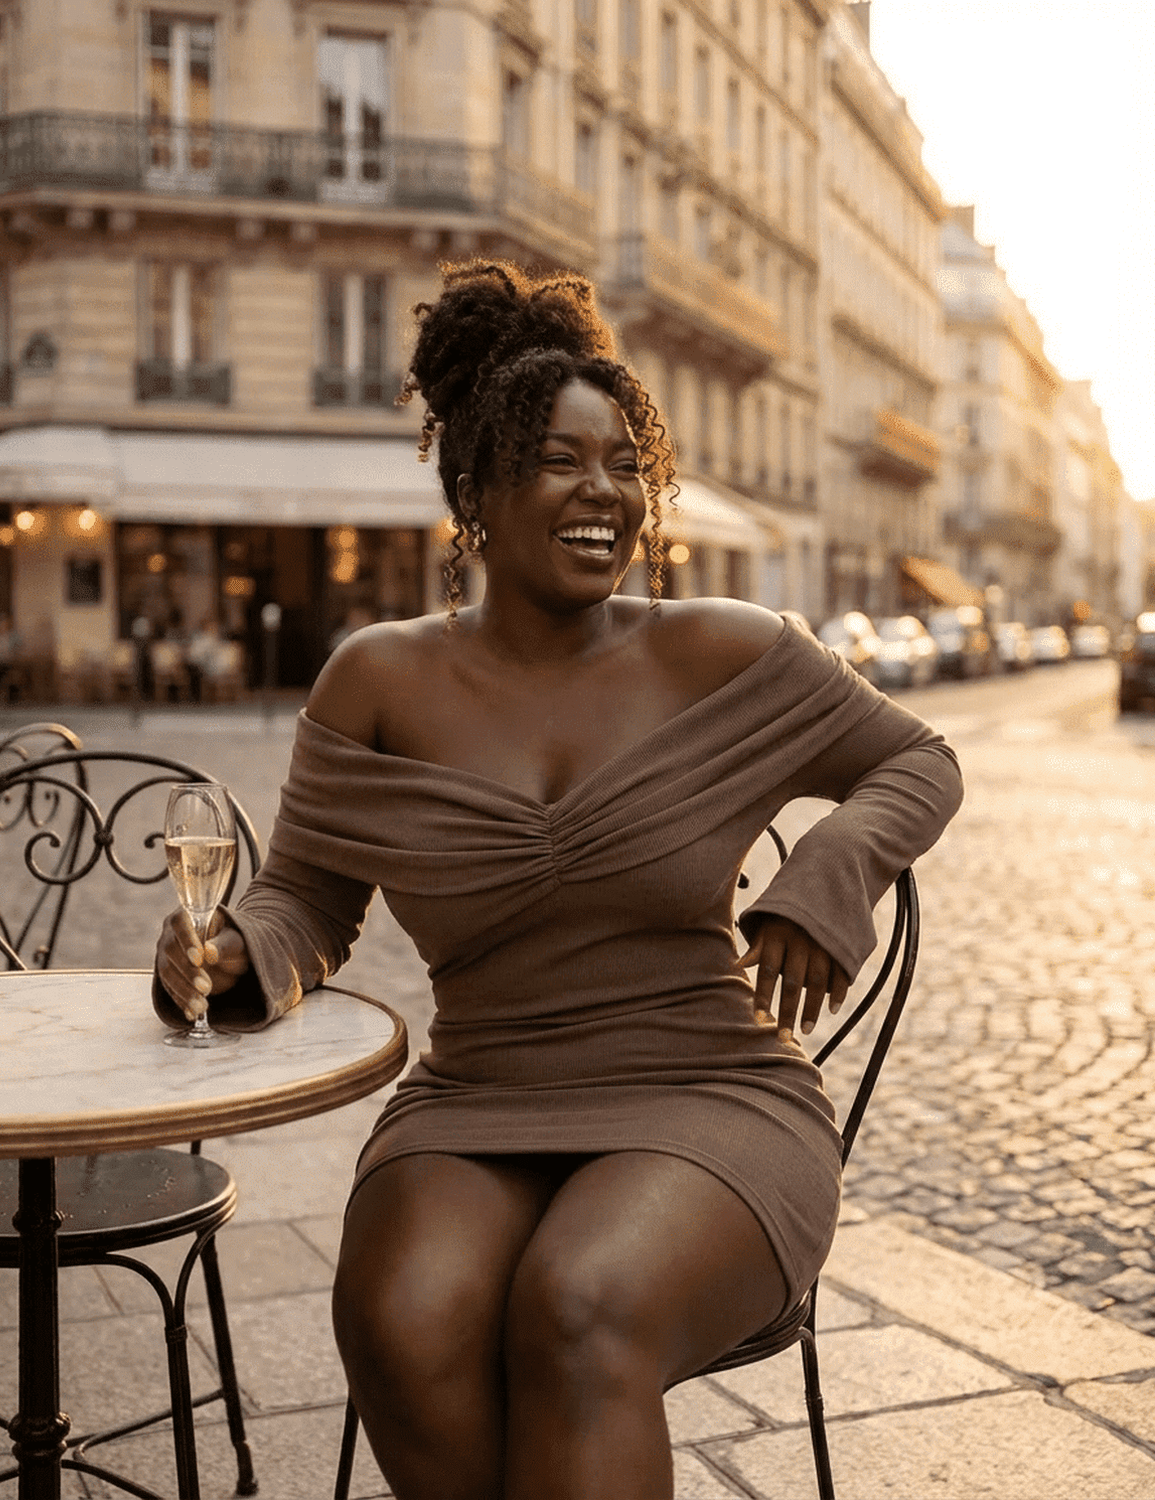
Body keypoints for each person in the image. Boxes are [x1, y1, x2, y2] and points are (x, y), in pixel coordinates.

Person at [154, 260, 962, 1500]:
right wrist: (229, 954)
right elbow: (306, 898)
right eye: (558, 460)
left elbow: (918, 759)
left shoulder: (727, 650)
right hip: (481, 1096)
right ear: (472, 491)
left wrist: (834, 867)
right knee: (402, 1312)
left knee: (578, 1305)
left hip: (713, 1092)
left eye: (625, 463)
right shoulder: (377, 680)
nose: (605, 492)